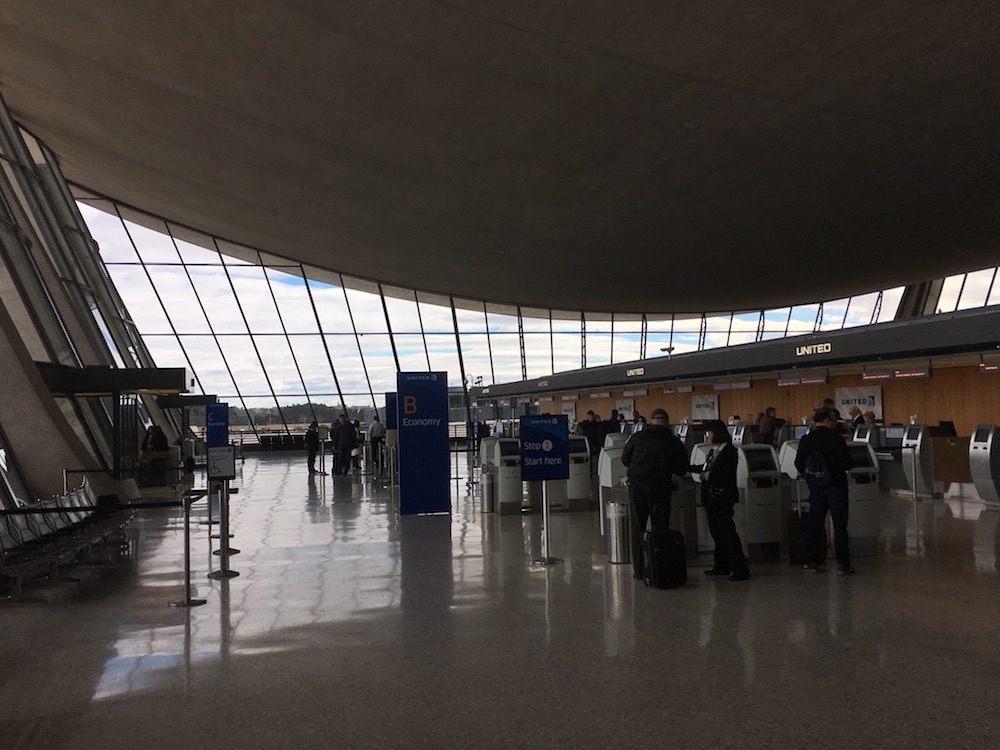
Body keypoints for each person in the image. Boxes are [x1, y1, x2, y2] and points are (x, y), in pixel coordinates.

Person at [620, 408, 689, 582]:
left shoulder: (638, 437)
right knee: (660, 528)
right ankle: (659, 567)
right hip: (661, 488)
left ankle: (639, 571)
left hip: (637, 486)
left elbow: (625, 459)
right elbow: (681, 469)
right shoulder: (673, 441)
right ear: (667, 422)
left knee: (637, 527)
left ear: (651, 421)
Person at [794, 407, 855, 575]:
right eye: (834, 420)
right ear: (827, 421)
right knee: (840, 526)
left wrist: (811, 477)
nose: (835, 423)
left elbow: (799, 463)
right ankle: (843, 564)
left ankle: (812, 561)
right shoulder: (836, 440)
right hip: (836, 487)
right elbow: (847, 463)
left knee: (815, 524)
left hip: (816, 488)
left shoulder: (806, 440)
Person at [691, 420, 751, 581]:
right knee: (717, 533)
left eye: (709, 432)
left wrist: (707, 476)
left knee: (727, 533)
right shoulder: (714, 451)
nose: (708, 435)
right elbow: (706, 467)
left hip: (723, 497)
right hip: (711, 497)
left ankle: (740, 568)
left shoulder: (729, 451)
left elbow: (723, 474)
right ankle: (721, 565)